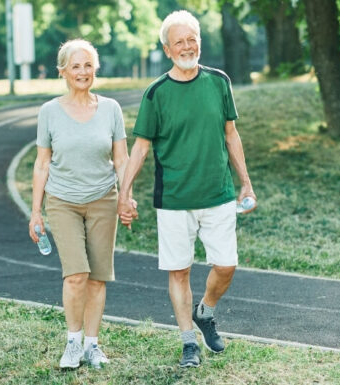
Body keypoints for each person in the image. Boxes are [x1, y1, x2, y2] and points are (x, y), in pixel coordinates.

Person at [117, 10, 256, 368]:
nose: (186, 46)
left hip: (218, 194)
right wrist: (124, 193)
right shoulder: (156, 94)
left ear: (199, 41)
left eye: (191, 39)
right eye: (178, 41)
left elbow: (231, 134)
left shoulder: (219, 81)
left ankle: (205, 311)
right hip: (174, 199)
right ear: (167, 48)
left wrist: (245, 182)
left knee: (226, 265)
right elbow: (141, 148)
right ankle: (188, 343)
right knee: (179, 271)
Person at [29, 39, 131, 369]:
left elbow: (121, 159)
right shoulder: (49, 112)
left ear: (95, 69)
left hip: (103, 198)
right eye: (76, 66)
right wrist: (35, 212)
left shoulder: (111, 109)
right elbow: (42, 163)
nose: (83, 72)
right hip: (63, 202)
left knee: (98, 277)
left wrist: (126, 197)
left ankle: (92, 345)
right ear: (63, 71)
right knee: (76, 275)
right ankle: (72, 343)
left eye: (88, 65)